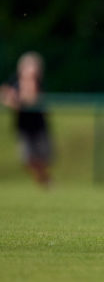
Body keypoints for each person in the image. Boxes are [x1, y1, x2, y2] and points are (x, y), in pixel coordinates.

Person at [0, 52, 53, 187]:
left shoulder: (38, 83)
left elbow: (31, 99)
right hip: (23, 126)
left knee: (43, 158)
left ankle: (45, 180)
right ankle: (45, 181)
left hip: (38, 125)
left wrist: (16, 100)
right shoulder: (14, 81)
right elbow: (5, 94)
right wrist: (11, 99)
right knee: (27, 159)